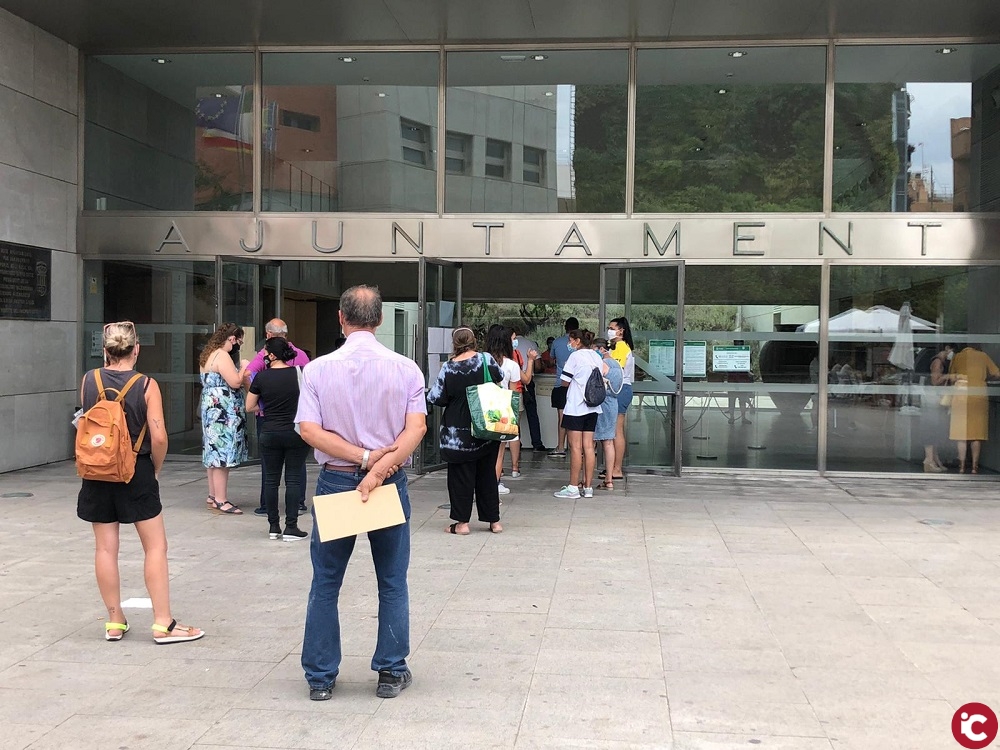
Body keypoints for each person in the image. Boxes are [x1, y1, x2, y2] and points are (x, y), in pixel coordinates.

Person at [297, 285, 427, 702]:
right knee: (392, 580)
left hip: (336, 481)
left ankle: (320, 678)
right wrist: (378, 466)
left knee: (326, 581)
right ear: (381, 319)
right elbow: (417, 428)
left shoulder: (317, 370)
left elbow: (309, 430)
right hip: (388, 483)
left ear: (341, 318)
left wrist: (361, 458)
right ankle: (391, 670)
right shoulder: (406, 369)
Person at [78, 321, 204, 645]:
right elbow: (158, 436)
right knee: (155, 547)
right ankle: (163, 623)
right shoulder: (146, 384)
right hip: (136, 470)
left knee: (105, 548)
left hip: (98, 471)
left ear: (105, 350)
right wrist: (155, 469)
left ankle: (114, 621)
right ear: (136, 349)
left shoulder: (89, 380)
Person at [428, 327, 505, 535]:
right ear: (473, 341)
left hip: (458, 432)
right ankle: (494, 521)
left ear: (455, 343)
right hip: (487, 426)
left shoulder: (448, 367)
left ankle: (462, 523)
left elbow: (436, 397)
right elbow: (499, 375)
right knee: (487, 475)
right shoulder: (486, 359)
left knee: (460, 477)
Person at [246, 337, 311, 540]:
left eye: (266, 352)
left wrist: (267, 409)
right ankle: (291, 527)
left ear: (272, 355)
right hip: (295, 432)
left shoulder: (261, 377)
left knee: (271, 480)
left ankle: (274, 527)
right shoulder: (299, 373)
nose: (264, 356)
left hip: (270, 432)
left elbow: (249, 406)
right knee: (293, 479)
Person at [199, 322, 249, 514]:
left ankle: (213, 495)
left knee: (213, 451)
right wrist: (244, 367)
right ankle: (221, 499)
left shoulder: (208, 354)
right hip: (223, 411)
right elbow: (235, 382)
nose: (238, 346)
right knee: (222, 453)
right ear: (232, 339)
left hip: (211, 407)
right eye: (239, 342)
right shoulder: (222, 355)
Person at [554, 329, 607, 499]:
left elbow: (564, 381)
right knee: (589, 447)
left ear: (577, 341)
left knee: (575, 448)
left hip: (576, 407)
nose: (569, 344)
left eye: (571, 340)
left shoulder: (575, 357)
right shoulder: (596, 356)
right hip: (593, 407)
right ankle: (588, 487)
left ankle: (573, 487)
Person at [948, 344, 1000, 474]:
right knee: (976, 434)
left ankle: (961, 466)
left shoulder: (957, 357)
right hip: (978, 395)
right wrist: (985, 379)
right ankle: (974, 467)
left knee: (961, 434)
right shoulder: (983, 356)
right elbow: (997, 373)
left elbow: (952, 377)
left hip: (960, 396)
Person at [604, 317, 635, 483]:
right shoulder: (614, 347)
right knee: (613, 429)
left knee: (617, 430)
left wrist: (605, 357)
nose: (609, 331)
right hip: (616, 389)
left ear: (621, 331)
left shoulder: (622, 347)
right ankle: (612, 466)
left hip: (621, 389)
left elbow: (616, 369)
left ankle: (617, 468)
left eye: (612, 328)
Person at [593, 338, 624, 490]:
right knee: (609, 442)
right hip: (613, 403)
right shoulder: (617, 364)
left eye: (594, 349)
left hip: (601, 404)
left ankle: (585, 479)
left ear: (601, 349)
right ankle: (609, 479)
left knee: (590, 443)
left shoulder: (601, 364)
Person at [919, 344, 954, 473]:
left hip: (932, 397)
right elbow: (935, 381)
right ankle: (929, 460)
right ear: (947, 348)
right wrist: (949, 376)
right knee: (932, 427)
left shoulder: (937, 361)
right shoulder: (938, 362)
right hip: (932, 398)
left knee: (936, 428)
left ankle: (934, 458)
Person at [547, 317, 578, 458]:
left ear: (565, 327)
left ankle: (560, 447)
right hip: (577, 386)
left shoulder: (557, 342)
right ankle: (577, 448)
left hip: (561, 384)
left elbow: (551, 360)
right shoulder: (580, 345)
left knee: (562, 417)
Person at [513, 326, 546, 451]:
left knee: (514, 416)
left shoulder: (507, 347)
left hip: (513, 383)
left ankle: (516, 443)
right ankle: (537, 443)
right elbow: (538, 367)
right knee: (532, 414)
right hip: (528, 383)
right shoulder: (531, 343)